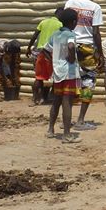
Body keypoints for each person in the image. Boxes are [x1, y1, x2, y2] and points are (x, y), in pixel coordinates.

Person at [64, 0, 103, 130]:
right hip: (86, 49)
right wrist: (100, 53)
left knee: (69, 83)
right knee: (88, 83)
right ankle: (80, 120)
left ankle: (66, 120)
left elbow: (64, 23)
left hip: (69, 45)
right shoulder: (95, 7)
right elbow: (96, 32)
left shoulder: (69, 3)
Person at [46, 9, 81, 143]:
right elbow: (71, 47)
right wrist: (71, 58)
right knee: (67, 102)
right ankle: (66, 134)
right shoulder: (70, 34)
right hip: (68, 73)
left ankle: (50, 130)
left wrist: (55, 61)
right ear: (73, 22)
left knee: (56, 101)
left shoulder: (55, 34)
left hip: (57, 72)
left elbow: (46, 50)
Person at [26, 7, 64, 105]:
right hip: (53, 52)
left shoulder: (43, 22)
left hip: (39, 52)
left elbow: (35, 35)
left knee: (39, 77)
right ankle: (52, 97)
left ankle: (36, 99)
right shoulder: (60, 24)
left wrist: (29, 48)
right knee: (57, 76)